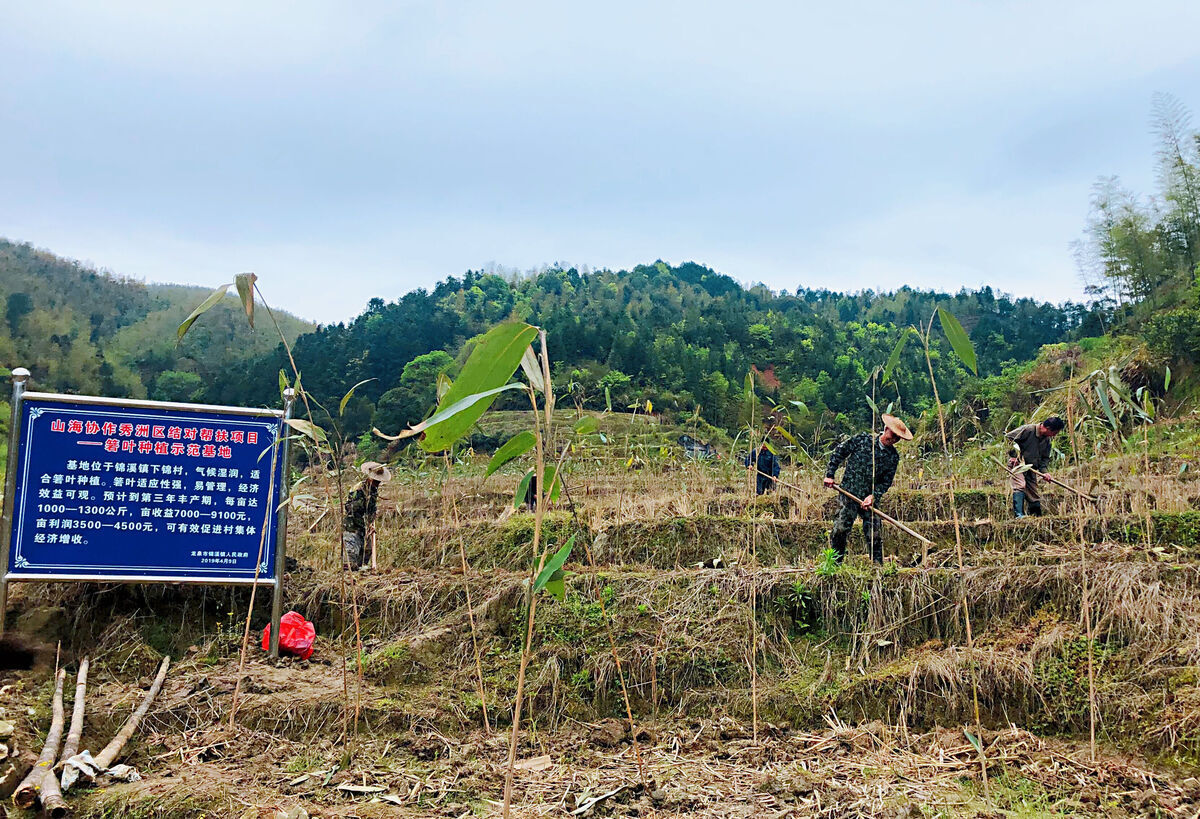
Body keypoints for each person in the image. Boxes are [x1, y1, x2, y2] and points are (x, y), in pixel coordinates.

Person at [823, 414, 912, 564]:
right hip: (849, 493)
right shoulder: (863, 440)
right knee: (840, 529)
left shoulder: (893, 457)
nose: (894, 439)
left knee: (875, 534)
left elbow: (885, 482)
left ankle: (877, 568)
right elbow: (839, 452)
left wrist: (873, 496)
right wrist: (830, 475)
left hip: (869, 500)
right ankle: (834, 565)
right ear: (885, 429)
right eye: (893, 435)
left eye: (898, 438)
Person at [1005, 417, 1064, 518]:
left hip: (1031, 468)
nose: (1055, 435)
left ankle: (1036, 517)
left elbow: (1044, 459)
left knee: (1033, 493)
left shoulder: (1047, 441)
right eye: (1055, 432)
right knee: (1020, 485)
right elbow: (1008, 438)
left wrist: (1045, 472)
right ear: (1048, 428)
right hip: (1018, 465)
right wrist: (1014, 456)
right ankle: (1019, 515)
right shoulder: (1028, 430)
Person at [342, 461, 391, 569]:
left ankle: (361, 571)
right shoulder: (359, 489)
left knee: (367, 550)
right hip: (353, 524)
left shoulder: (373, 491)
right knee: (350, 552)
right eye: (376, 481)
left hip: (365, 525)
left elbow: (371, 509)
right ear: (370, 478)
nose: (378, 483)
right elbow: (352, 508)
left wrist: (370, 523)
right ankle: (348, 575)